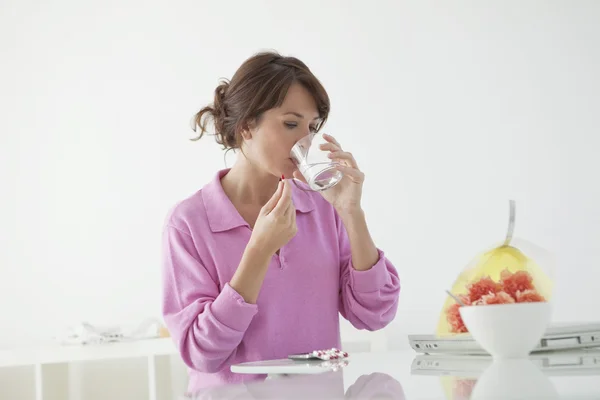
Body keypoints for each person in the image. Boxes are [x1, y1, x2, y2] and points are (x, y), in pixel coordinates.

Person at [161, 51, 401, 391]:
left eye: (312, 127)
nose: (306, 140)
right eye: (291, 124)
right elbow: (201, 352)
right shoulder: (189, 223)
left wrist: (352, 213)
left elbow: (374, 314)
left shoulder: (322, 207)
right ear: (246, 126)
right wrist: (259, 250)